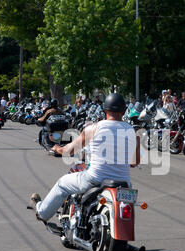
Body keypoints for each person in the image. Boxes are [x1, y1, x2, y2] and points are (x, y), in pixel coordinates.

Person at [29, 93, 140, 225]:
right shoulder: (132, 132)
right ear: (124, 111)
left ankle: (42, 212)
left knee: (62, 183)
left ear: (105, 110)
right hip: (124, 183)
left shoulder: (93, 128)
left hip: (96, 179)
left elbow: (68, 150)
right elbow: (134, 162)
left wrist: (56, 148)